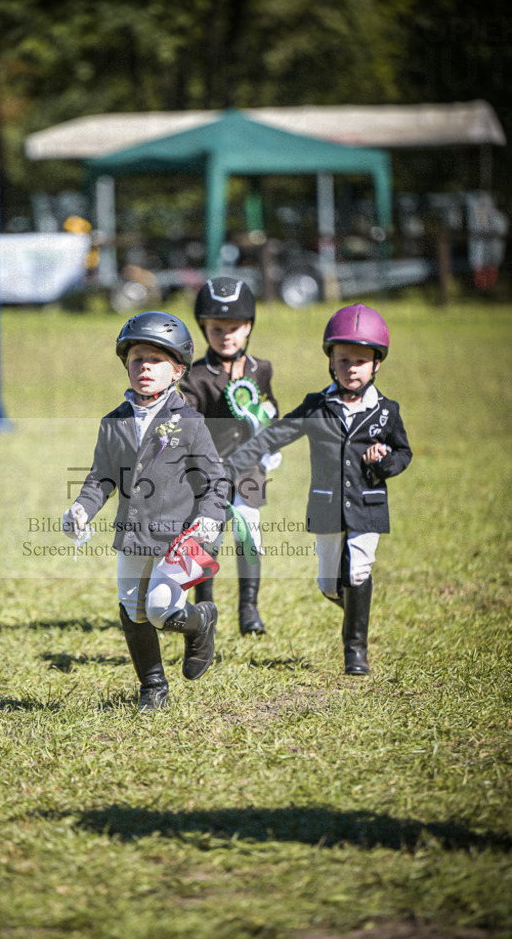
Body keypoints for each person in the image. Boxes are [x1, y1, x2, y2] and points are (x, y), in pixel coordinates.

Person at [224, 303, 412, 676]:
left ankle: (355, 650)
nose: (351, 368)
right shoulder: (316, 407)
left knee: (358, 571)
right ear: (330, 361)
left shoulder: (387, 411)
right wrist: (229, 465)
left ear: (377, 364)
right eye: (343, 360)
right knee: (329, 584)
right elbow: (274, 435)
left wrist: (384, 461)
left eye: (361, 360)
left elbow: (403, 453)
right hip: (326, 508)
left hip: (367, 506)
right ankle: (356, 610)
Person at [62, 311, 227, 712]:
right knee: (133, 610)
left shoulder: (190, 422)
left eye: (156, 360)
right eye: (137, 358)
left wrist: (210, 516)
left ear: (177, 371)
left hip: (184, 536)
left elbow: (216, 481)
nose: (145, 367)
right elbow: (101, 477)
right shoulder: (113, 423)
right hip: (134, 535)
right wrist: (82, 508)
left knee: (159, 609)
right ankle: (152, 685)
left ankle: (200, 621)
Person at [180, 276, 279, 635]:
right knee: (208, 536)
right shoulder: (195, 376)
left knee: (248, 535)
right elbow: (186, 419)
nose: (226, 335)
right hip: (208, 473)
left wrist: (272, 444)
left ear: (248, 326)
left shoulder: (260, 369)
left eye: (234, 328)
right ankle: (204, 606)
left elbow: (270, 410)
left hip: (250, 468)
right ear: (204, 327)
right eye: (217, 328)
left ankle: (249, 609)